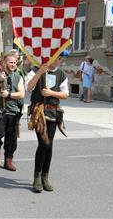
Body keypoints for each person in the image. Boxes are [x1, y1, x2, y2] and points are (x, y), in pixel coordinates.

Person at [26, 50, 70, 193]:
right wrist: (40, 72)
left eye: (61, 58)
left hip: (53, 112)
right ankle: (37, 177)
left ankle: (45, 176)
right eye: (58, 58)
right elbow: (29, 87)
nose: (60, 61)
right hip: (39, 111)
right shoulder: (34, 70)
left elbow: (65, 94)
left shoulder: (61, 74)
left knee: (49, 145)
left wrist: (51, 93)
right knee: (44, 142)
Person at [0, 52, 25, 170]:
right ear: (4, 63)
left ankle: (8, 160)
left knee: (12, 139)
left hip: (13, 112)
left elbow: (22, 93)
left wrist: (9, 94)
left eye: (15, 62)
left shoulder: (18, 77)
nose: (13, 64)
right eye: (11, 62)